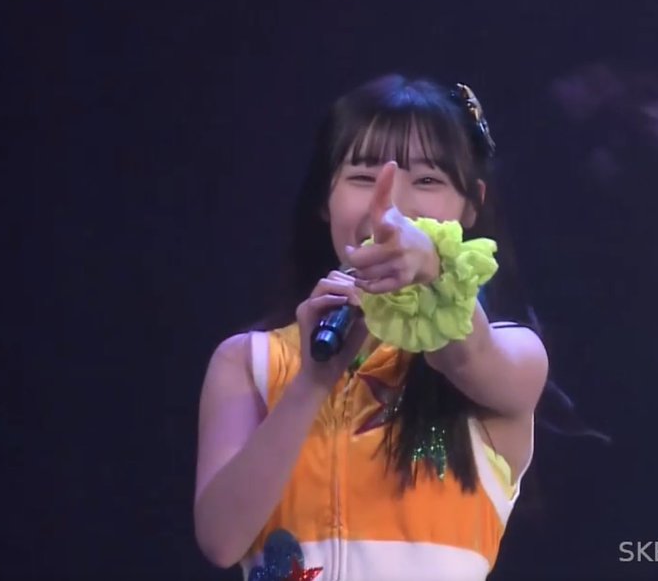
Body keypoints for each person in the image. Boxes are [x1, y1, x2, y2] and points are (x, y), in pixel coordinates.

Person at [193, 75, 550, 580]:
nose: (390, 210)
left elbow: (467, 354)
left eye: (427, 181)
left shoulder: (514, 354)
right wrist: (311, 382)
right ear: (325, 199)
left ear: (471, 205)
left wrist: (432, 267)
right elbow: (221, 540)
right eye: (364, 177)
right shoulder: (246, 362)